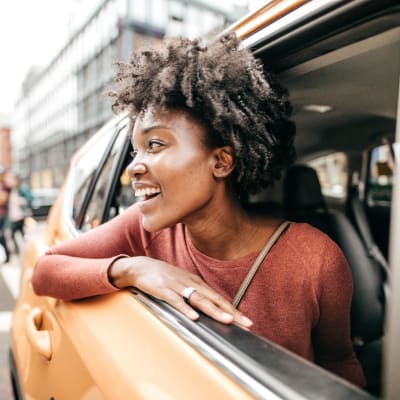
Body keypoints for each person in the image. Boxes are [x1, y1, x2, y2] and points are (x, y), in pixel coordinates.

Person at [31, 33, 365, 387]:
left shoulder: (315, 258)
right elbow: (45, 272)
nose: (134, 168)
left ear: (220, 161)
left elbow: (339, 362)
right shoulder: (144, 231)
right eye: (135, 151)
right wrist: (134, 269)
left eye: (155, 144)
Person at [0, 166, 11, 263]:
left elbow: (2, 200)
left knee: (2, 236)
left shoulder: (5, 186)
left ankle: (8, 256)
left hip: (2, 215)